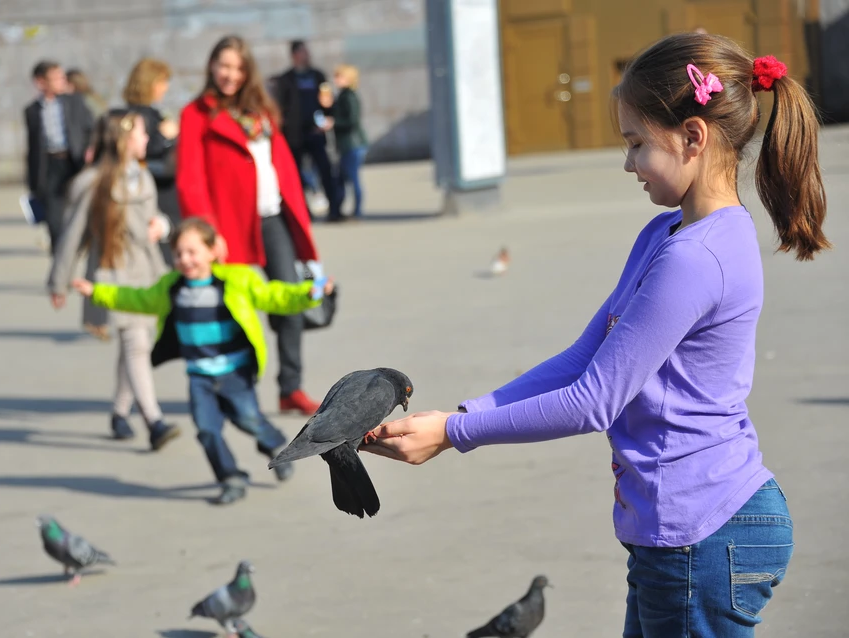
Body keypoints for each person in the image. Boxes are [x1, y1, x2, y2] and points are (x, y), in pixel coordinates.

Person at [364, 33, 828, 638]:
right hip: (687, 530)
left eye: (637, 143)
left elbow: (593, 400)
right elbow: (585, 358)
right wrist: (460, 415)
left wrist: (455, 434)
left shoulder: (698, 258)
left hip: (703, 535)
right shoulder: (665, 236)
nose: (628, 163)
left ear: (693, 136)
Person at [71, 218, 333, 505]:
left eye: (192, 252)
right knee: (207, 431)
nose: (185, 260)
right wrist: (97, 292)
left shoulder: (237, 280)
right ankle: (230, 477)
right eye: (179, 253)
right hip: (199, 377)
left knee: (248, 420)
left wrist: (307, 293)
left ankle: (275, 446)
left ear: (212, 250)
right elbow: (137, 299)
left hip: (235, 371)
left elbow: (274, 296)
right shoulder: (171, 288)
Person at [176, 35, 325, 416]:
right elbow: (190, 178)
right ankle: (228, 390)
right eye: (224, 65)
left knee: (289, 300)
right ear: (212, 66)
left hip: (272, 217)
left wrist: (299, 217)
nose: (230, 74)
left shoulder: (261, 111)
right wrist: (208, 234)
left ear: (247, 72)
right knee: (229, 312)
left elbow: (282, 164)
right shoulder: (196, 114)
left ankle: (290, 388)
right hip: (226, 227)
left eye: (238, 68)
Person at [47, 110, 179, 448]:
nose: (147, 139)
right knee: (135, 341)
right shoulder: (95, 183)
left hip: (147, 272)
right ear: (123, 140)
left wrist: (161, 226)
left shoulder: (144, 176)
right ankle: (155, 421)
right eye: (140, 133)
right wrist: (58, 282)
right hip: (114, 273)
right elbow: (72, 236)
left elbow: (155, 217)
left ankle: (120, 411)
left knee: (137, 343)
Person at [24, 60, 96, 255]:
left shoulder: (75, 102)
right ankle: (59, 255)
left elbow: (92, 128)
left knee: (80, 209)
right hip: (49, 166)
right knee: (54, 217)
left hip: (74, 162)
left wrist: (90, 149)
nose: (62, 82)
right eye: (56, 78)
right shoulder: (32, 110)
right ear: (41, 82)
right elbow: (32, 148)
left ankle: (81, 247)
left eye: (62, 77)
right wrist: (32, 180)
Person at [274, 40, 341, 221]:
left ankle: (335, 209)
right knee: (296, 176)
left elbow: (327, 100)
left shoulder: (317, 76)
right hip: (294, 136)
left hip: (316, 133)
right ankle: (303, 212)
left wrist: (329, 115)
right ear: (295, 55)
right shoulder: (286, 79)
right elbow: (279, 106)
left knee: (325, 170)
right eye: (303, 52)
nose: (307, 55)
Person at [122, 58, 180, 264]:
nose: (165, 88)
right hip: (158, 192)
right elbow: (141, 154)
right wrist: (166, 137)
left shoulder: (143, 112)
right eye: (162, 82)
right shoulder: (141, 115)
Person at [332, 64, 368, 219]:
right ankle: (341, 210)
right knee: (344, 178)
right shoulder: (342, 95)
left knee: (353, 179)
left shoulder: (349, 96)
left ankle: (358, 211)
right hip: (348, 144)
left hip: (353, 144)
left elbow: (352, 120)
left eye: (339, 76)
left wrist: (334, 122)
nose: (336, 80)